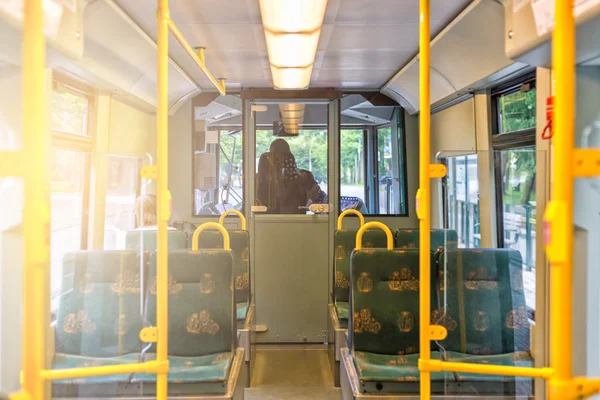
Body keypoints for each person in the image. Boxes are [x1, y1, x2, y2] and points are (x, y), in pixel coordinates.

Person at [256, 138, 327, 214]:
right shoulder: (304, 176)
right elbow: (321, 197)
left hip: (266, 221)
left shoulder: (258, 180)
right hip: (295, 220)